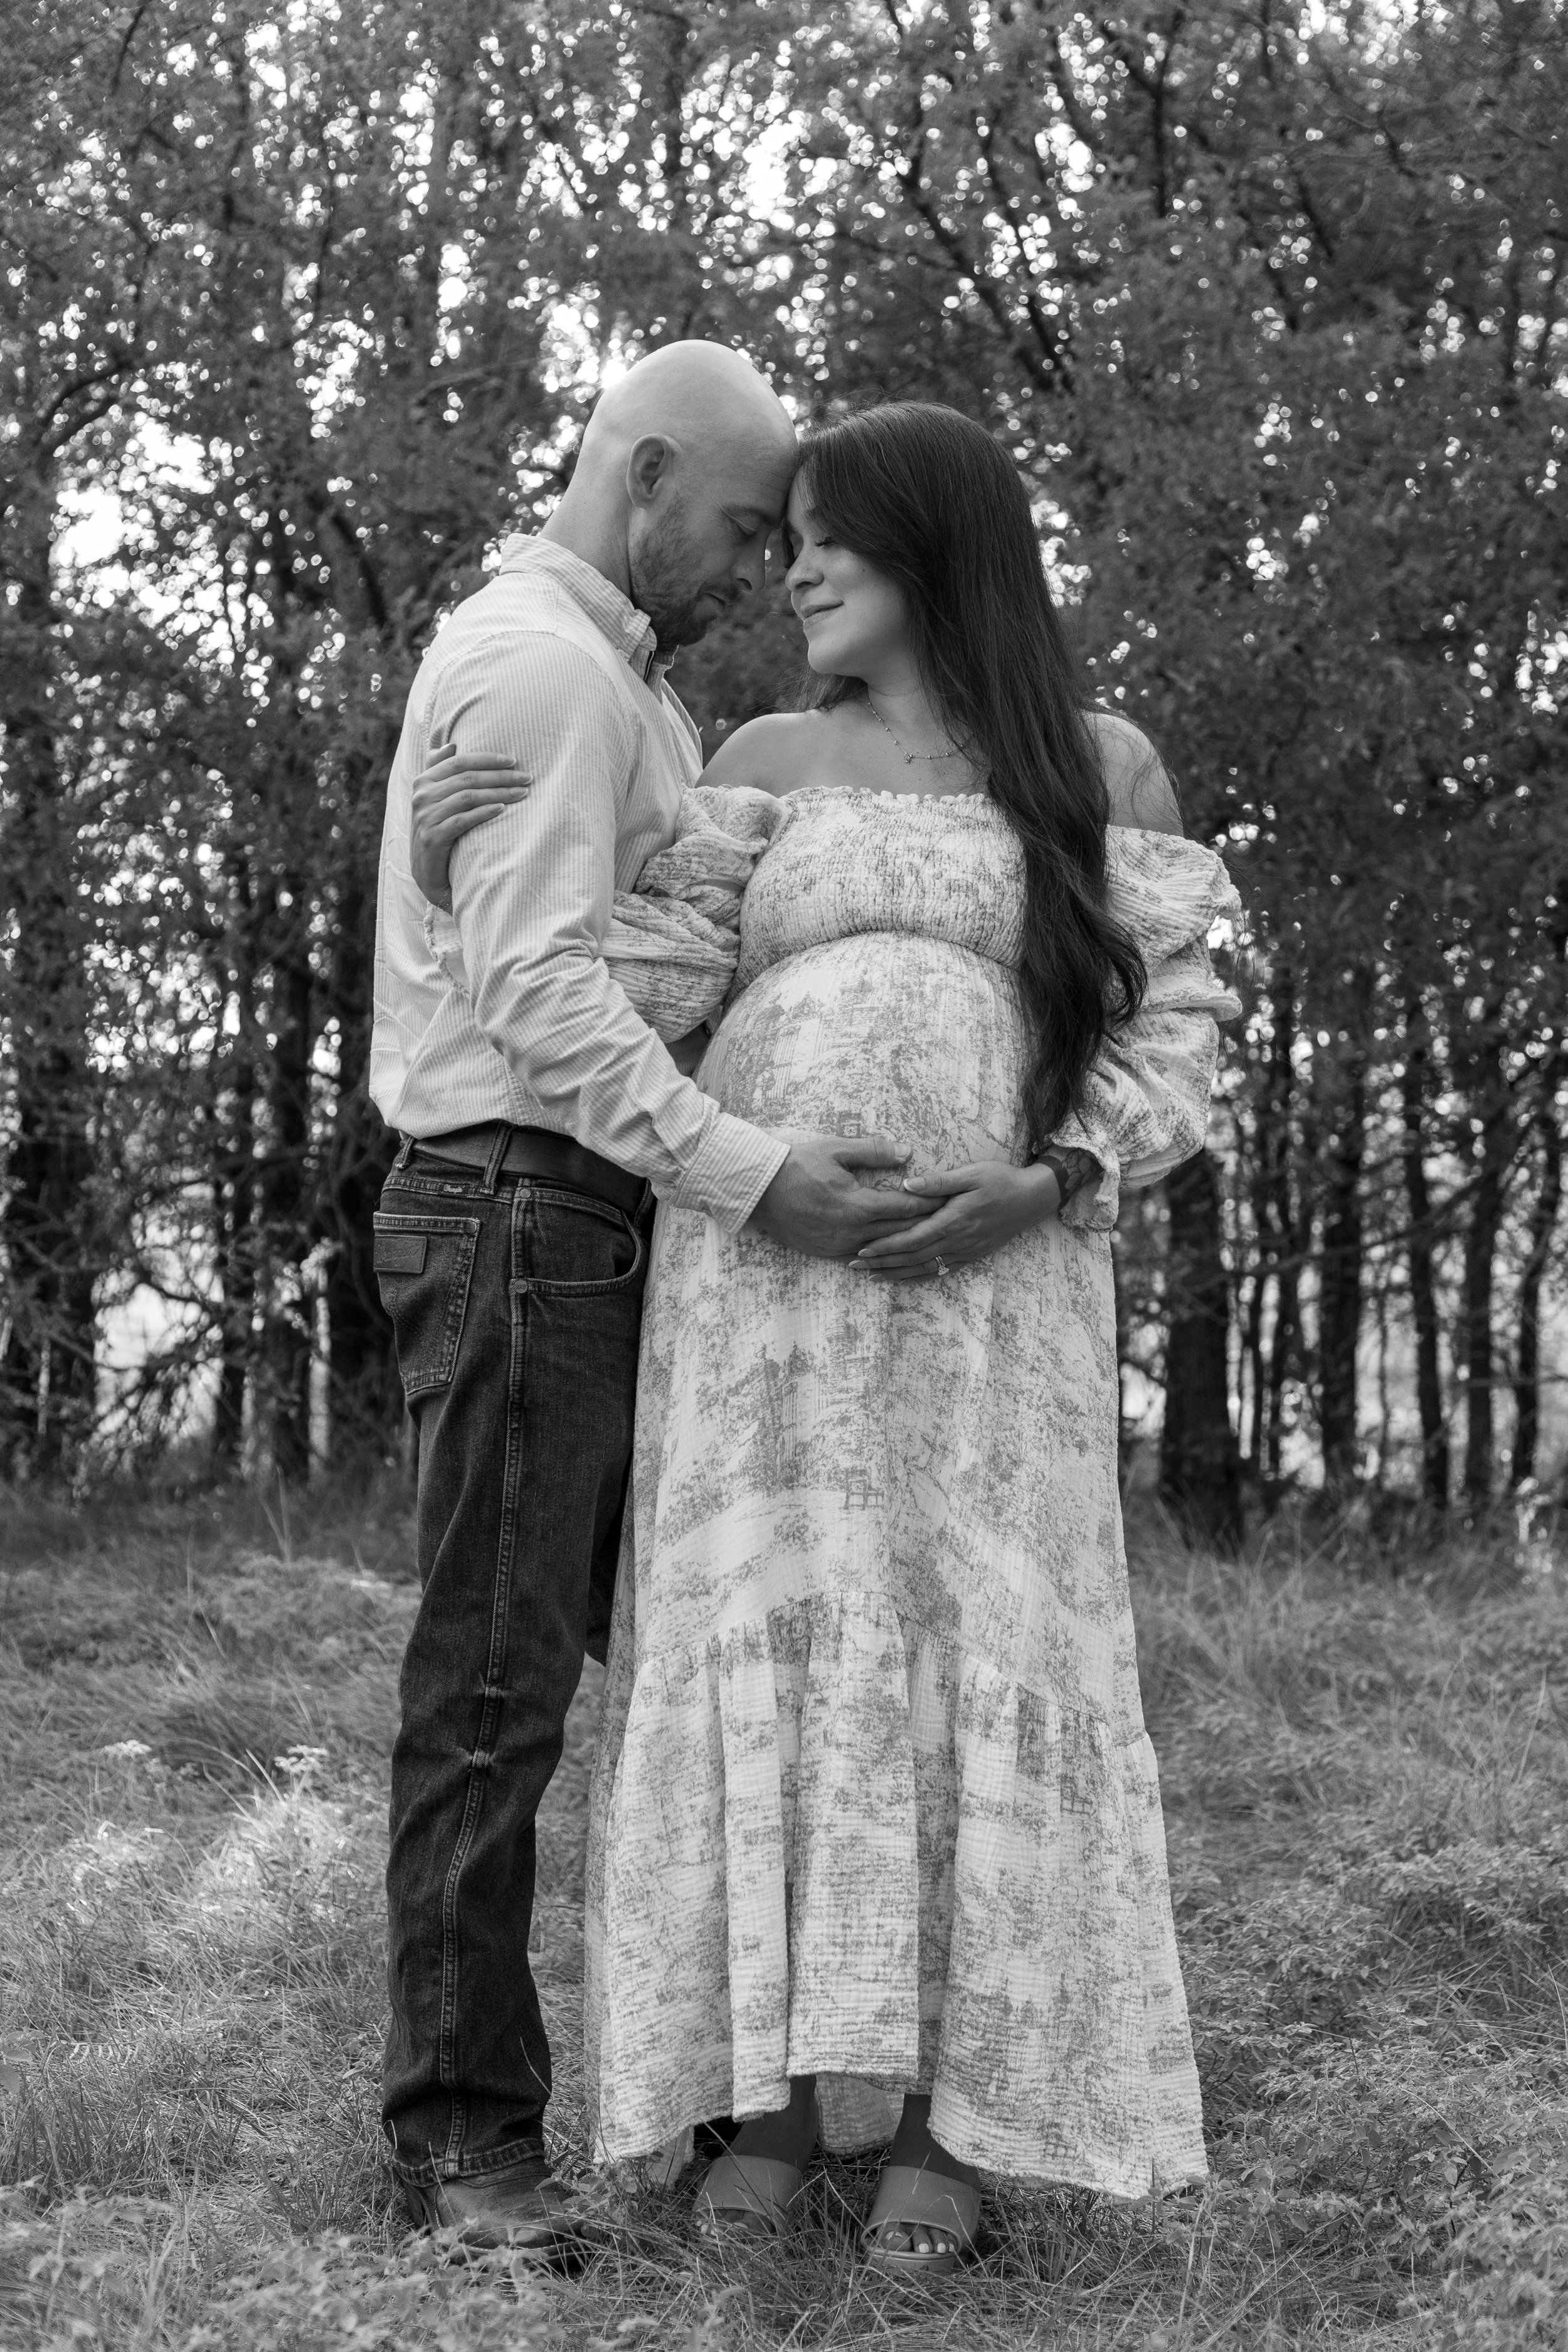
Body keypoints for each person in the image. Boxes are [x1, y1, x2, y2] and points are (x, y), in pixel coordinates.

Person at [413, 401, 1238, 2274]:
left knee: (975, 1642)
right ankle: (777, 2107)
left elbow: (1169, 1031)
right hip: (762, 1298)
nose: (789, 567)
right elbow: (623, 988)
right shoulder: (759, 755)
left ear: (933, 545)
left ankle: (949, 2128)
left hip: (996, 1298)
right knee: (767, 1636)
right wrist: (456, 856)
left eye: (826, 537)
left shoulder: (1095, 764)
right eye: (777, 533)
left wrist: (1045, 1181)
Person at [367, 344, 930, 2255]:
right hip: (522, 1214)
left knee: (698, 1674)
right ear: (650, 471)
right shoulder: (538, 669)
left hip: (595, 1232)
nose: (762, 569)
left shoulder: (616, 686)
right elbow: (539, 996)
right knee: (492, 1700)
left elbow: (662, 949)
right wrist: (757, 1171)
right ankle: (461, 2145)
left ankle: (728, 2099)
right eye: (748, 526)